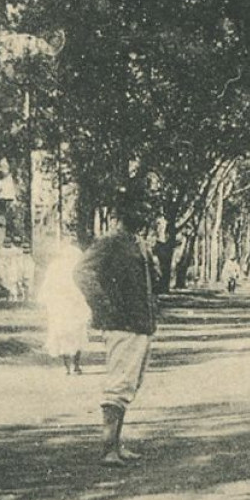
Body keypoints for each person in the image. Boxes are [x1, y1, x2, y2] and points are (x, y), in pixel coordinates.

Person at [74, 187, 158, 468]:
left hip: (140, 324)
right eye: (140, 209)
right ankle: (108, 448)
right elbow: (82, 272)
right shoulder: (110, 241)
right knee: (117, 386)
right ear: (125, 213)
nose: (145, 215)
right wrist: (104, 307)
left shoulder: (136, 243)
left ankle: (117, 444)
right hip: (122, 324)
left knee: (130, 384)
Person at [40, 238, 91, 375]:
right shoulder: (79, 268)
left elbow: (47, 287)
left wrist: (48, 303)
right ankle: (75, 365)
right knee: (77, 334)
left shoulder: (55, 267)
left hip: (61, 307)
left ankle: (68, 366)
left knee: (63, 334)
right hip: (74, 306)